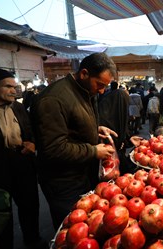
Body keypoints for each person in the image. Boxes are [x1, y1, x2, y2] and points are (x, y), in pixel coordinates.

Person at [30, 53, 117, 230]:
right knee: (71, 229)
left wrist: (95, 128)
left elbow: (72, 124)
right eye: (100, 84)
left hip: (83, 174)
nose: (102, 91)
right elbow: (53, 148)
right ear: (84, 73)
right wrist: (93, 151)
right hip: (63, 181)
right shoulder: (53, 99)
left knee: (88, 226)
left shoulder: (85, 91)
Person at [0, 67, 46, 249]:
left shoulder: (19, 107)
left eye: (15, 86)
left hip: (22, 163)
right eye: (8, 87)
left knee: (29, 206)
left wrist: (33, 143)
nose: (14, 90)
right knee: (1, 214)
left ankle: (32, 239)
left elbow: (32, 131)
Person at [98, 85, 142, 175]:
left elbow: (121, 137)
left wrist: (129, 139)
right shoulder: (103, 121)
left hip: (117, 162)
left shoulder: (118, 117)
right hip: (107, 167)